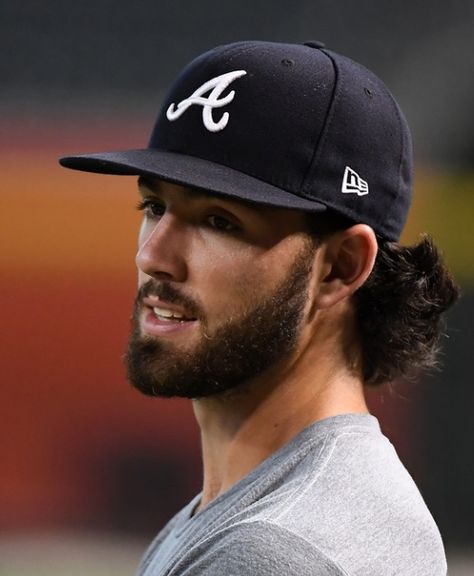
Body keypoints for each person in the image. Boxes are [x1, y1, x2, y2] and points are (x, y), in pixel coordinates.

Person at [60, 40, 458, 575]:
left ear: (340, 267)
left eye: (219, 221)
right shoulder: (303, 502)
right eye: (155, 206)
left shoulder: (275, 550)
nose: (152, 256)